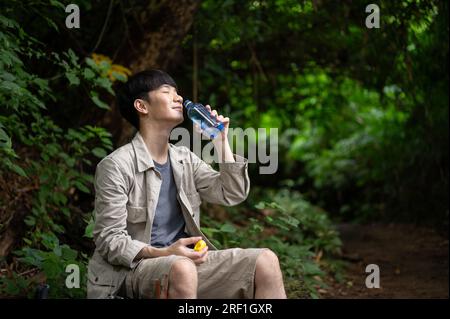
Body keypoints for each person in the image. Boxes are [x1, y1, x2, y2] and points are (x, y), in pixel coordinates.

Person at [87, 69, 286, 299]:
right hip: (132, 271)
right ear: (142, 106)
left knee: (265, 262)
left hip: (187, 265)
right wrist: (164, 253)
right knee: (182, 268)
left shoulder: (184, 159)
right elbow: (109, 239)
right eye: (166, 92)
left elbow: (231, 193)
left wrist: (220, 141)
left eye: (177, 92)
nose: (178, 98)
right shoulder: (116, 166)